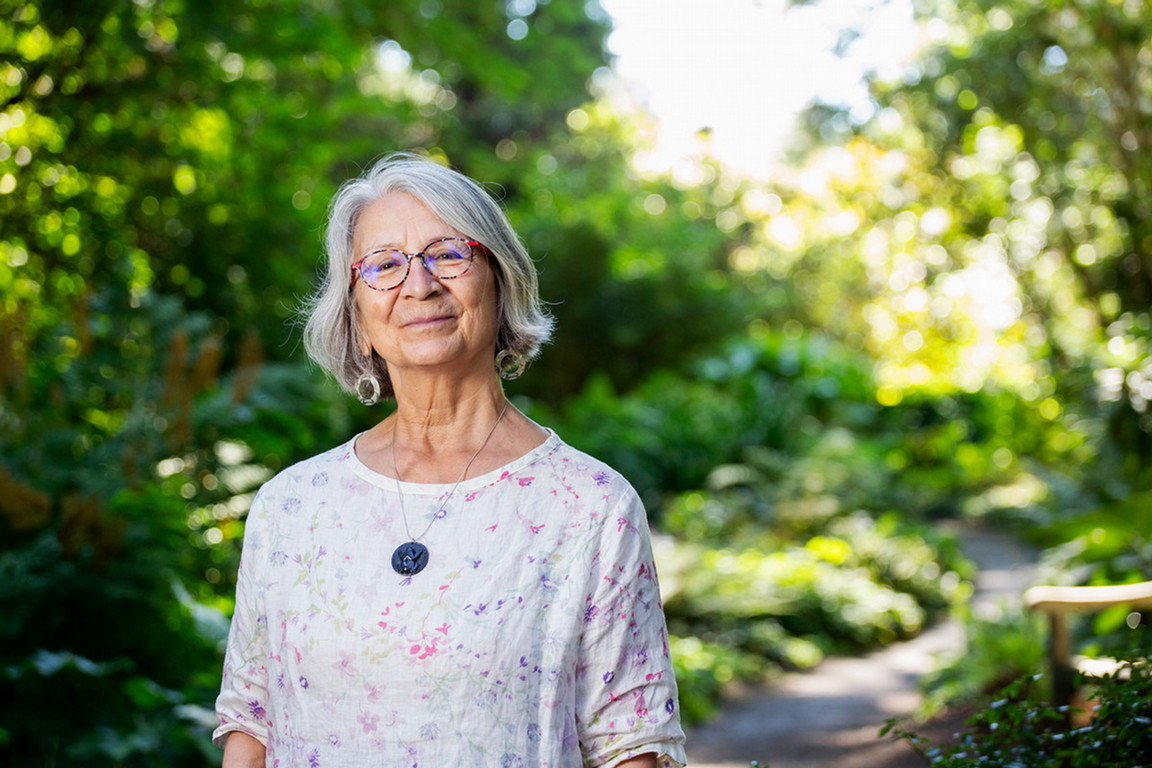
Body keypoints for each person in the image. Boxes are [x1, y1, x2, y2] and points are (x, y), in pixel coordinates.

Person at [213, 153, 687, 767]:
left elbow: (629, 746)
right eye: (384, 265)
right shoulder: (291, 507)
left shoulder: (592, 507)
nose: (419, 284)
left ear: (501, 281)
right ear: (358, 318)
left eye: (448, 253)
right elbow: (253, 726)